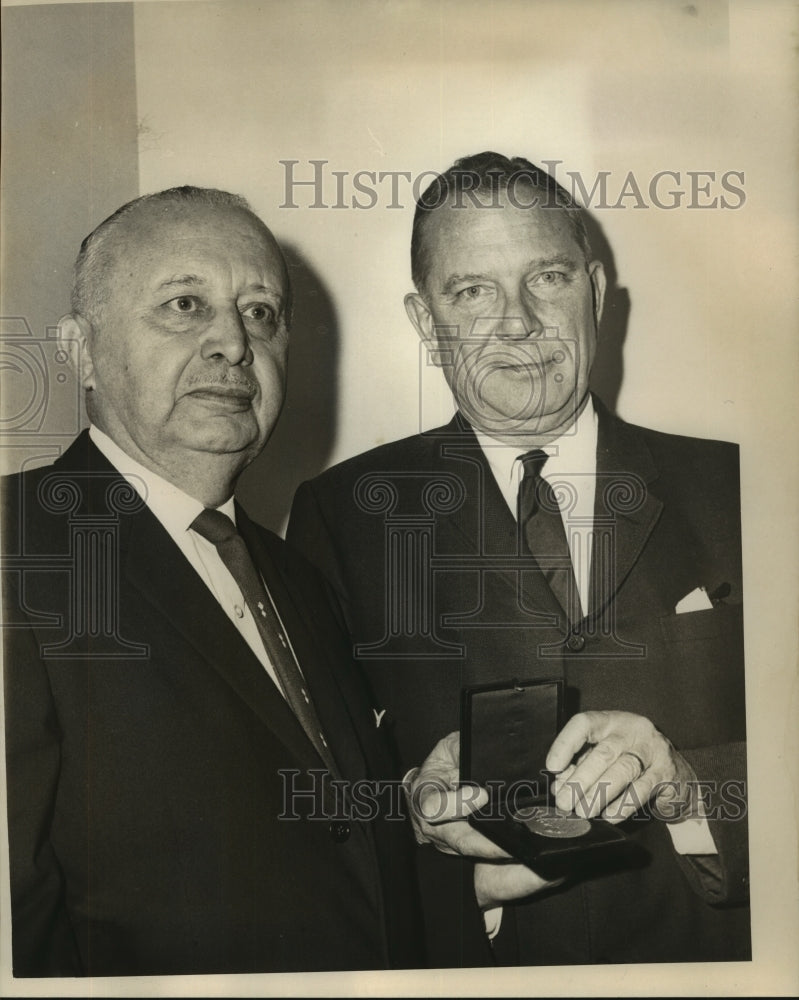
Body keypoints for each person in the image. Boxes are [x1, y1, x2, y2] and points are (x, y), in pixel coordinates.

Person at [287, 152, 750, 966]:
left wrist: (684, 784)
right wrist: (413, 824)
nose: (516, 323)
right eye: (470, 292)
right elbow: (314, 798)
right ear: (425, 320)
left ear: (596, 294)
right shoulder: (340, 515)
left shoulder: (746, 486)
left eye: (547, 279)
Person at [1, 186, 423, 976]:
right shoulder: (19, 548)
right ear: (81, 352)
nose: (233, 341)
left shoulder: (300, 577)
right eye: (184, 304)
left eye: (261, 313)